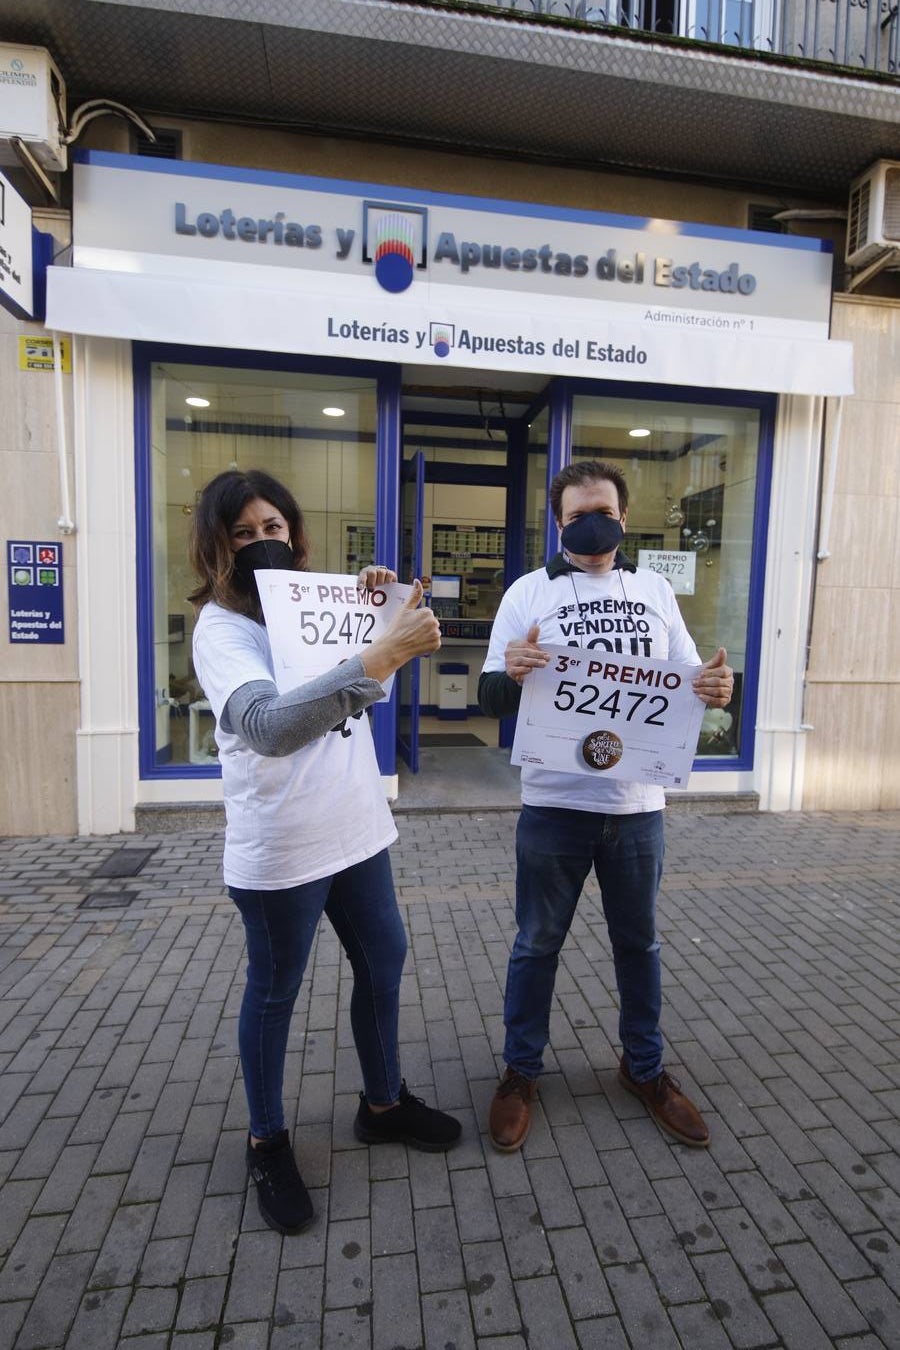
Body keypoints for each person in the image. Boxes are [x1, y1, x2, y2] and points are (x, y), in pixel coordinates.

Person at [189, 468, 461, 1235]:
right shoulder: (223, 629)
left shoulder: (316, 604)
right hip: (282, 845)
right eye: (242, 533)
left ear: (295, 534)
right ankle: (266, 1140)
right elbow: (269, 726)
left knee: (384, 961)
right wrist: (378, 657)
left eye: (272, 528)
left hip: (355, 827)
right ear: (217, 547)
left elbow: (395, 632)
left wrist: (376, 606)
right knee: (276, 992)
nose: (260, 542)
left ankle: (382, 1103)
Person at [478, 459, 734, 1153]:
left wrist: (715, 687)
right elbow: (489, 698)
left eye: (606, 512)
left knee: (638, 944)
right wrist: (513, 673)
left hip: (636, 807)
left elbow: (690, 681)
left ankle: (644, 1068)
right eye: (577, 514)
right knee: (536, 945)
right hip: (554, 805)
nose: (593, 523)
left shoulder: (653, 590)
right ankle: (520, 1072)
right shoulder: (529, 592)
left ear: (623, 519)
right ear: (558, 523)